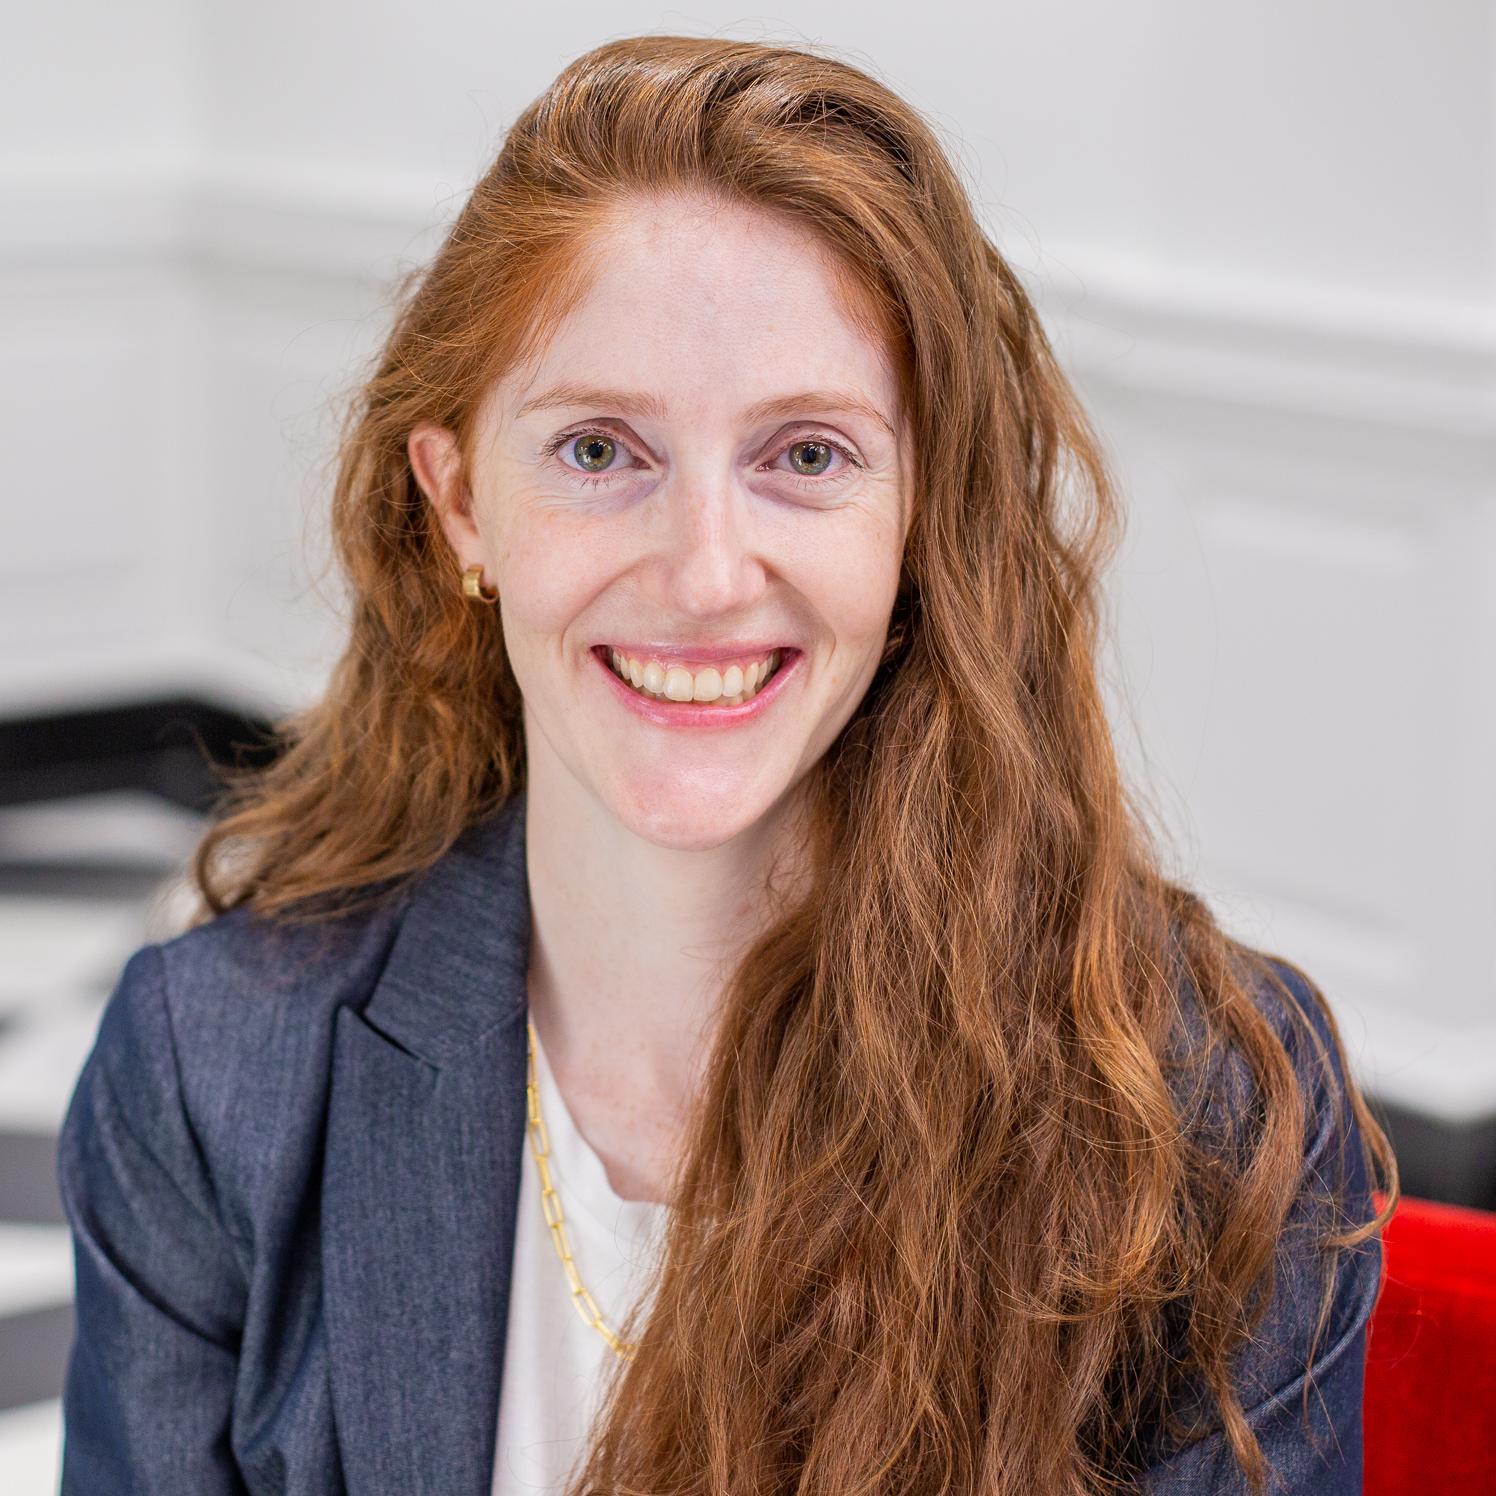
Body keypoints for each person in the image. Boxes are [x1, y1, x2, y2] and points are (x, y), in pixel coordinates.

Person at [55, 33, 1397, 1496]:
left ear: (920, 521)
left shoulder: (1200, 1107)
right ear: (459, 509)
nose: (705, 574)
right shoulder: (218, 1069)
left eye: (807, 456)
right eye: (597, 452)